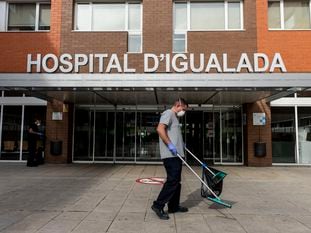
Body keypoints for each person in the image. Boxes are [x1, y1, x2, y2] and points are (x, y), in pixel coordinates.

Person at [151, 98, 188, 220]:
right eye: (184, 109)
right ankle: (158, 205)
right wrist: (171, 145)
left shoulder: (175, 117)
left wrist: (180, 145)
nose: (184, 112)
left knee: (176, 181)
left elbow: (173, 134)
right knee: (172, 181)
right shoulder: (168, 113)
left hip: (177, 155)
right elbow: (160, 129)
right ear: (178, 105)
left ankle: (173, 206)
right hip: (170, 155)